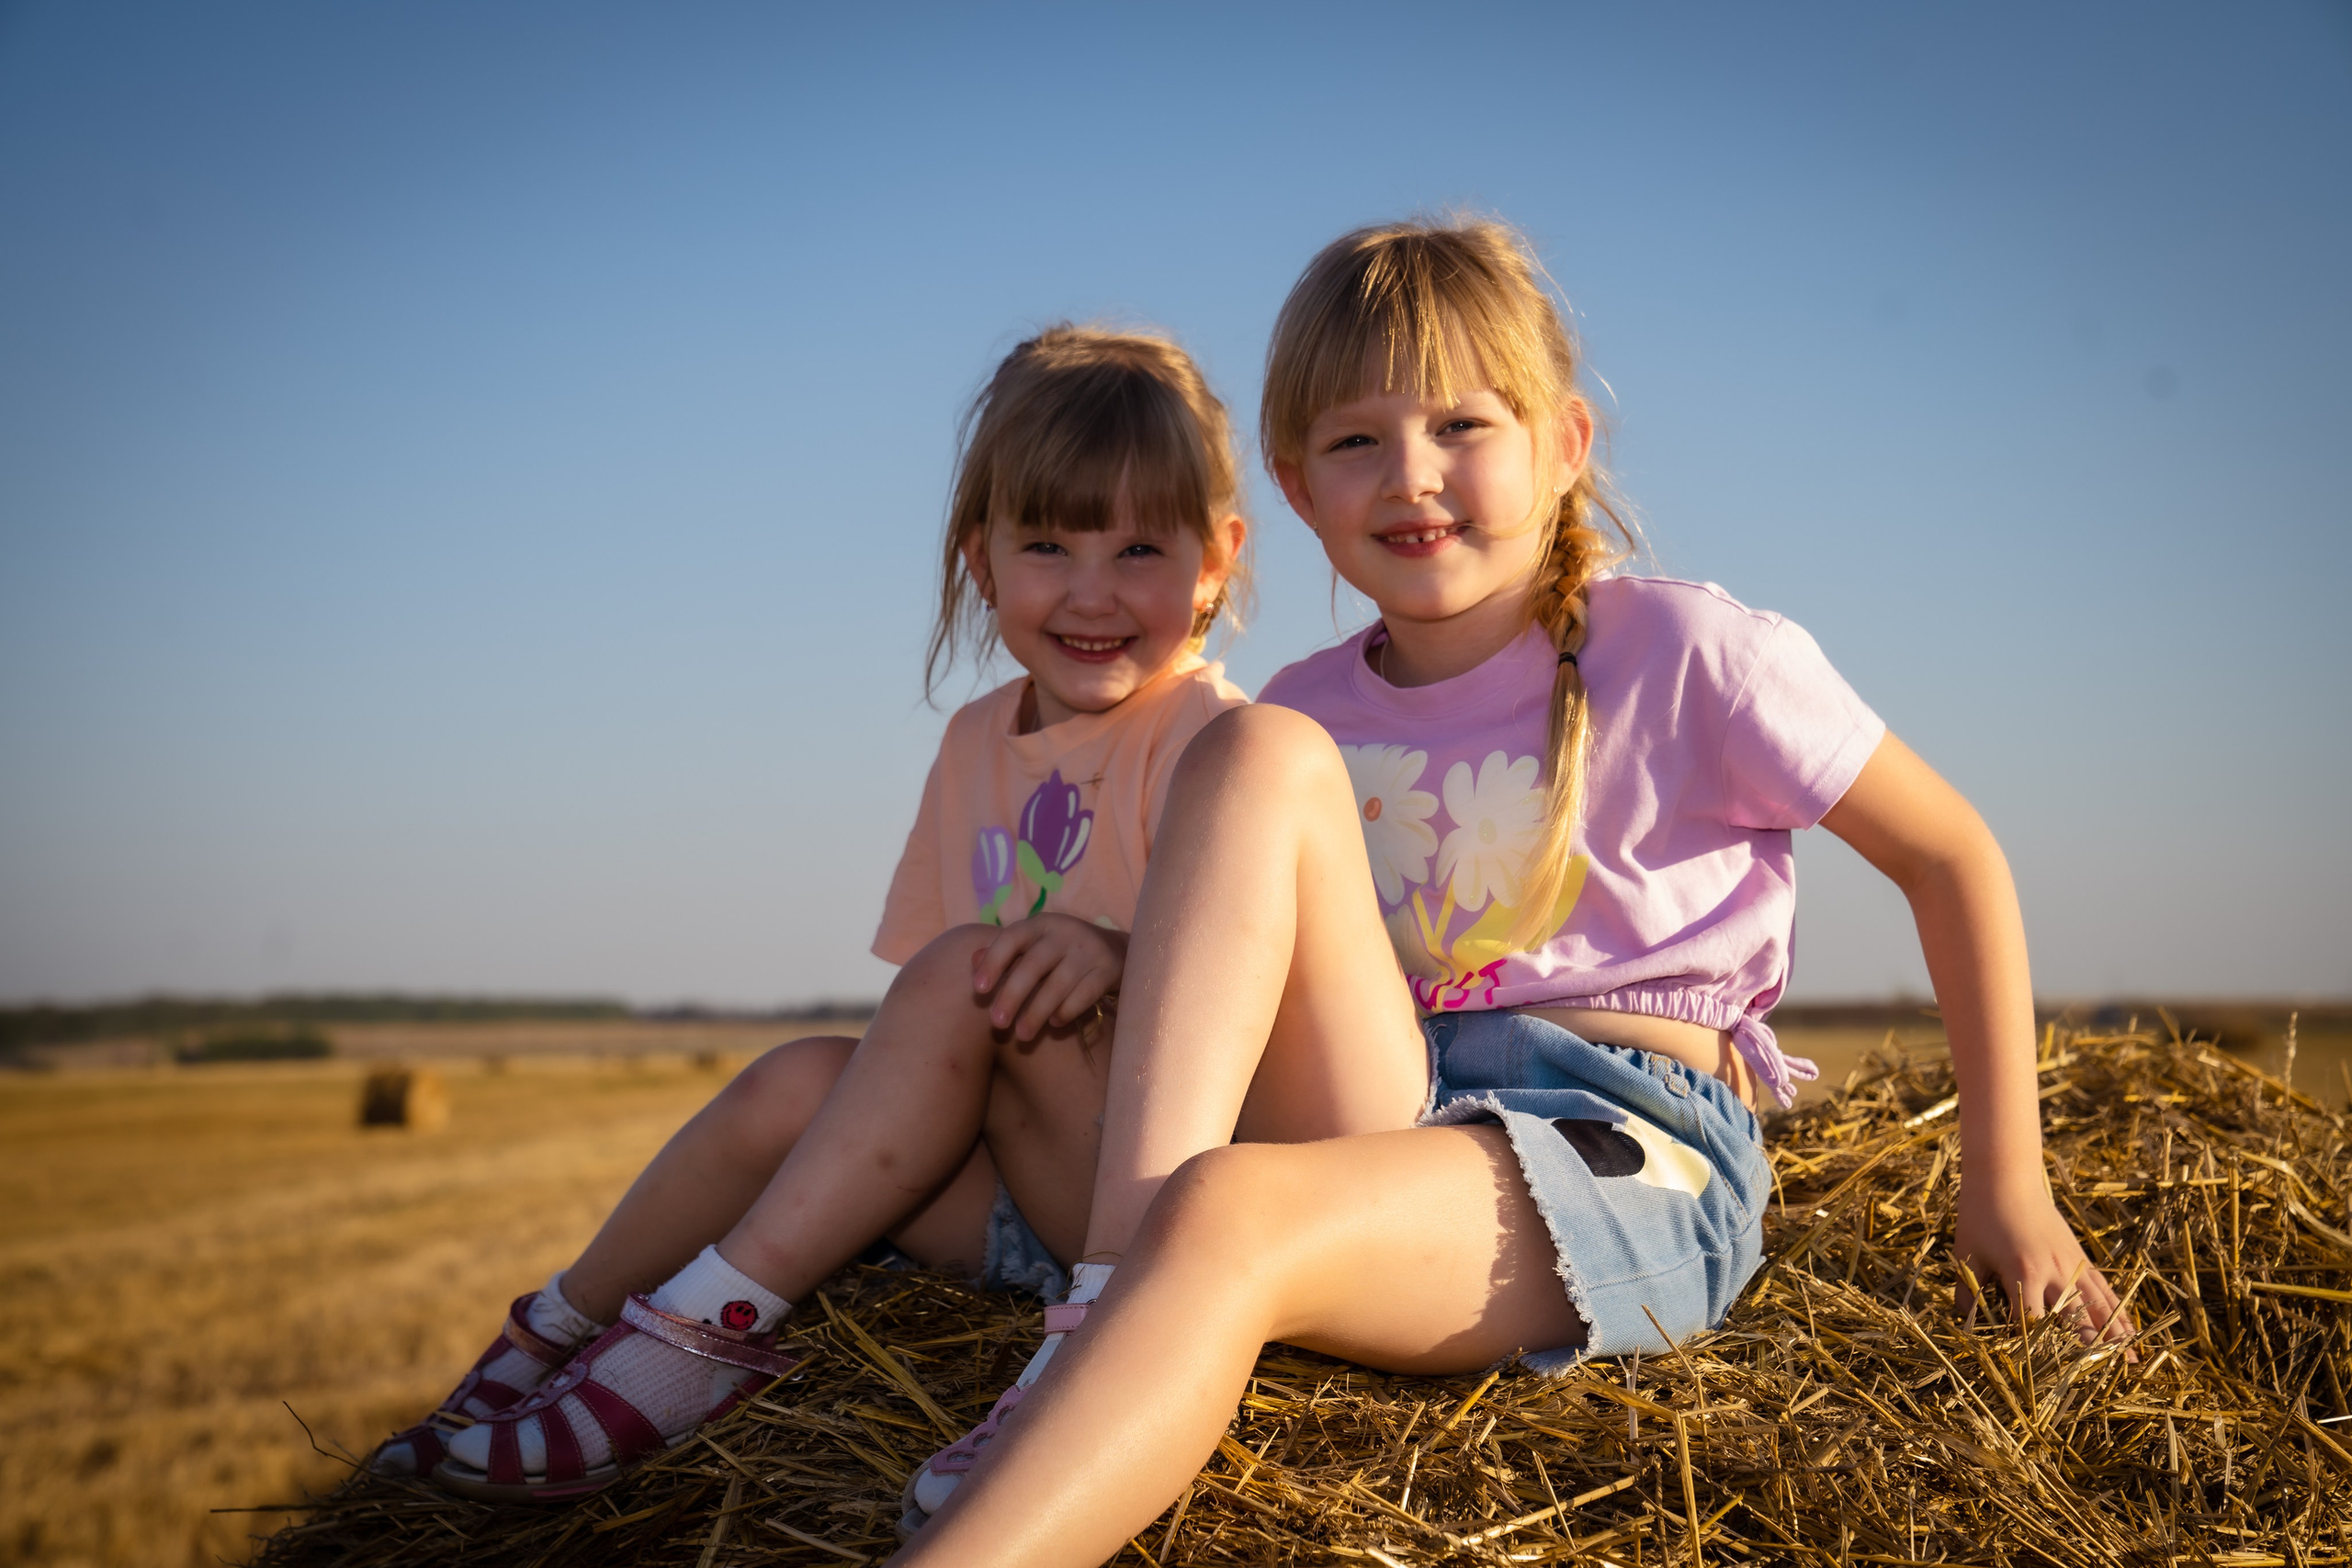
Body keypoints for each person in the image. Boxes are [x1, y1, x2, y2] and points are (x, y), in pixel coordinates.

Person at [890, 219, 2126, 1563]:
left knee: (1229, 1207)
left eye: (1462, 423)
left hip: (1621, 1135)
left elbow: (1953, 857)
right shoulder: (1297, 712)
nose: (1412, 476)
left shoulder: (1691, 650)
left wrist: (2007, 1181)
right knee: (1251, 759)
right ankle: (1100, 1306)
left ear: (1565, 443)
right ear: (1300, 491)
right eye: (1357, 441)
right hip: (1393, 1096)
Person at [374, 324, 1260, 1502]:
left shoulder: (1213, 741)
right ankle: (552, 1332)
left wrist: (1116, 950)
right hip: (998, 1205)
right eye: (1046, 542)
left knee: (958, 973)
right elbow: (927, 1042)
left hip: (1136, 1216)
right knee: (796, 1077)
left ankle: (699, 1341)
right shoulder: (970, 744)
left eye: (1140, 546)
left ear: (1215, 562)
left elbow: (1251, 995)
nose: (1091, 592)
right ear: (980, 561)